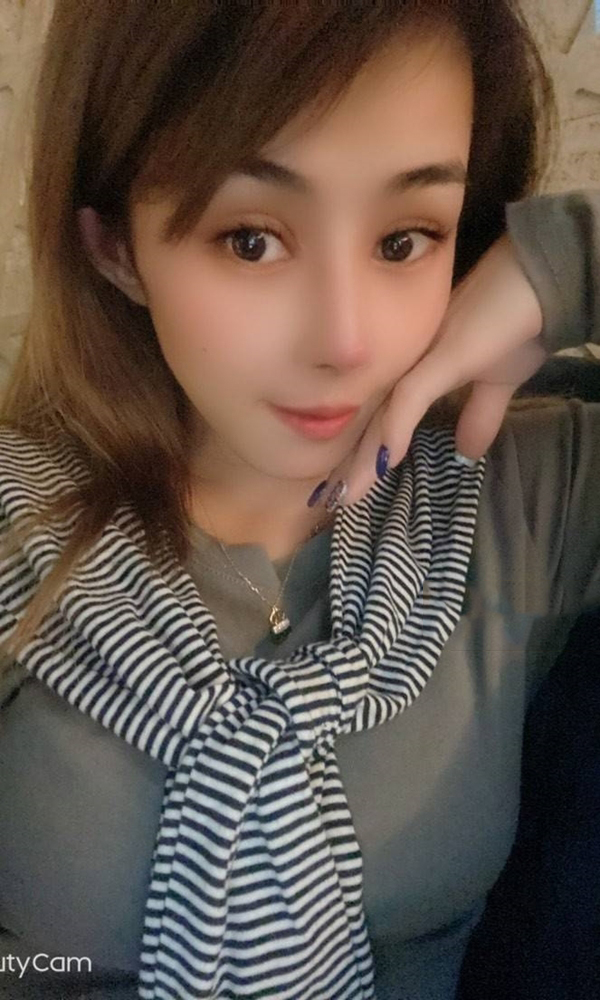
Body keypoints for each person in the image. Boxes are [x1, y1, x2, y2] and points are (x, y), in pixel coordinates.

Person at [0, 2, 598, 999]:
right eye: (250, 240)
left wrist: (568, 261)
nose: (345, 340)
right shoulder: (21, 533)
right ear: (115, 249)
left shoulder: (518, 497)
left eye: (405, 239)